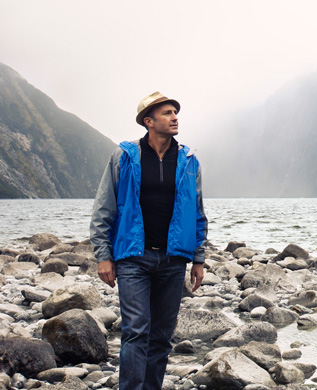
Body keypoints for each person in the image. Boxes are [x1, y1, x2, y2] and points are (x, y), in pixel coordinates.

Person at [90, 91, 207, 390]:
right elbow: (105, 207)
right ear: (148, 121)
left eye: (175, 113)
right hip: (133, 257)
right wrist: (103, 255)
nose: (174, 117)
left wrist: (198, 258)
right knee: (135, 331)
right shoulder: (125, 156)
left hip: (173, 259)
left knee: (161, 336)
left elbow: (197, 211)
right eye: (167, 113)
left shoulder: (188, 159)